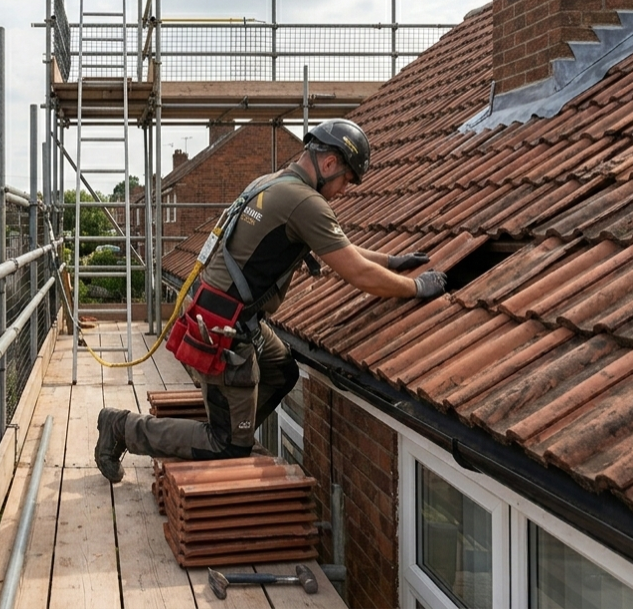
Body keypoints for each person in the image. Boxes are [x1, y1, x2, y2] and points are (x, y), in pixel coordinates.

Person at [95, 118, 447, 483]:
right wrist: (417, 288)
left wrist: (392, 261)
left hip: (230, 317)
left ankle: (234, 423)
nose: (344, 190)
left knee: (282, 370)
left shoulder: (273, 183)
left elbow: (341, 248)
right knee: (226, 445)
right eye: (347, 180)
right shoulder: (305, 202)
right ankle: (123, 427)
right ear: (329, 164)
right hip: (226, 333)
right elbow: (356, 272)